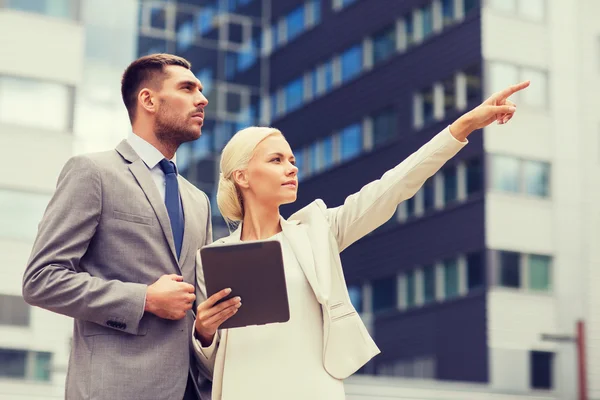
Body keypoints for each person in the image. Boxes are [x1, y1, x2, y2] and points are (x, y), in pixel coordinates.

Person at [190, 81, 530, 399]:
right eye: (276, 160)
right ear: (242, 176)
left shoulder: (317, 231)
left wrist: (465, 125)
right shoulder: (217, 258)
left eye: (292, 160)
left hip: (310, 387)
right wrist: (203, 330)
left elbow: (395, 185)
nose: (292, 168)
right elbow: (211, 365)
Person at [22, 54, 212, 400]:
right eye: (187, 88)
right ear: (148, 100)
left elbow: (199, 301)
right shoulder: (93, 172)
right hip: (115, 388)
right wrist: (144, 299)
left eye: (200, 90)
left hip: (189, 389)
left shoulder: (198, 200)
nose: (202, 99)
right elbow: (41, 280)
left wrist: (207, 330)